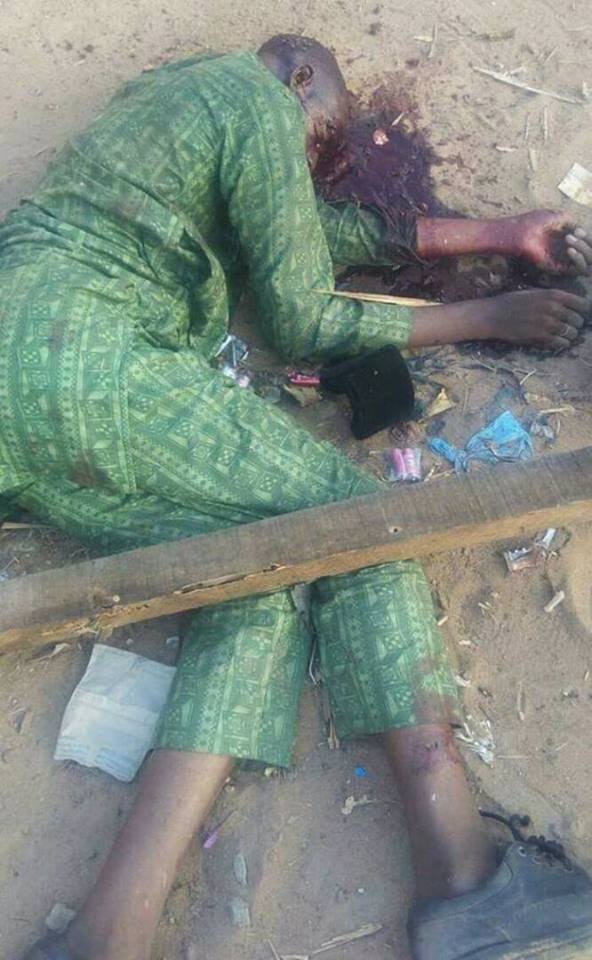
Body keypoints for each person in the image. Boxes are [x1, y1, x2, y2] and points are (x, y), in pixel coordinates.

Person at [1, 33, 591, 960]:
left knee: (250, 579)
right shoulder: (249, 95)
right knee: (351, 521)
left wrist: (502, 233)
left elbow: (318, 238)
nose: (316, 159)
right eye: (323, 137)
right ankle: (464, 876)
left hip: (31, 409)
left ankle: (105, 938)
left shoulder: (163, 128)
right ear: (301, 79)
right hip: (73, 351)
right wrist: (488, 316)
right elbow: (301, 316)